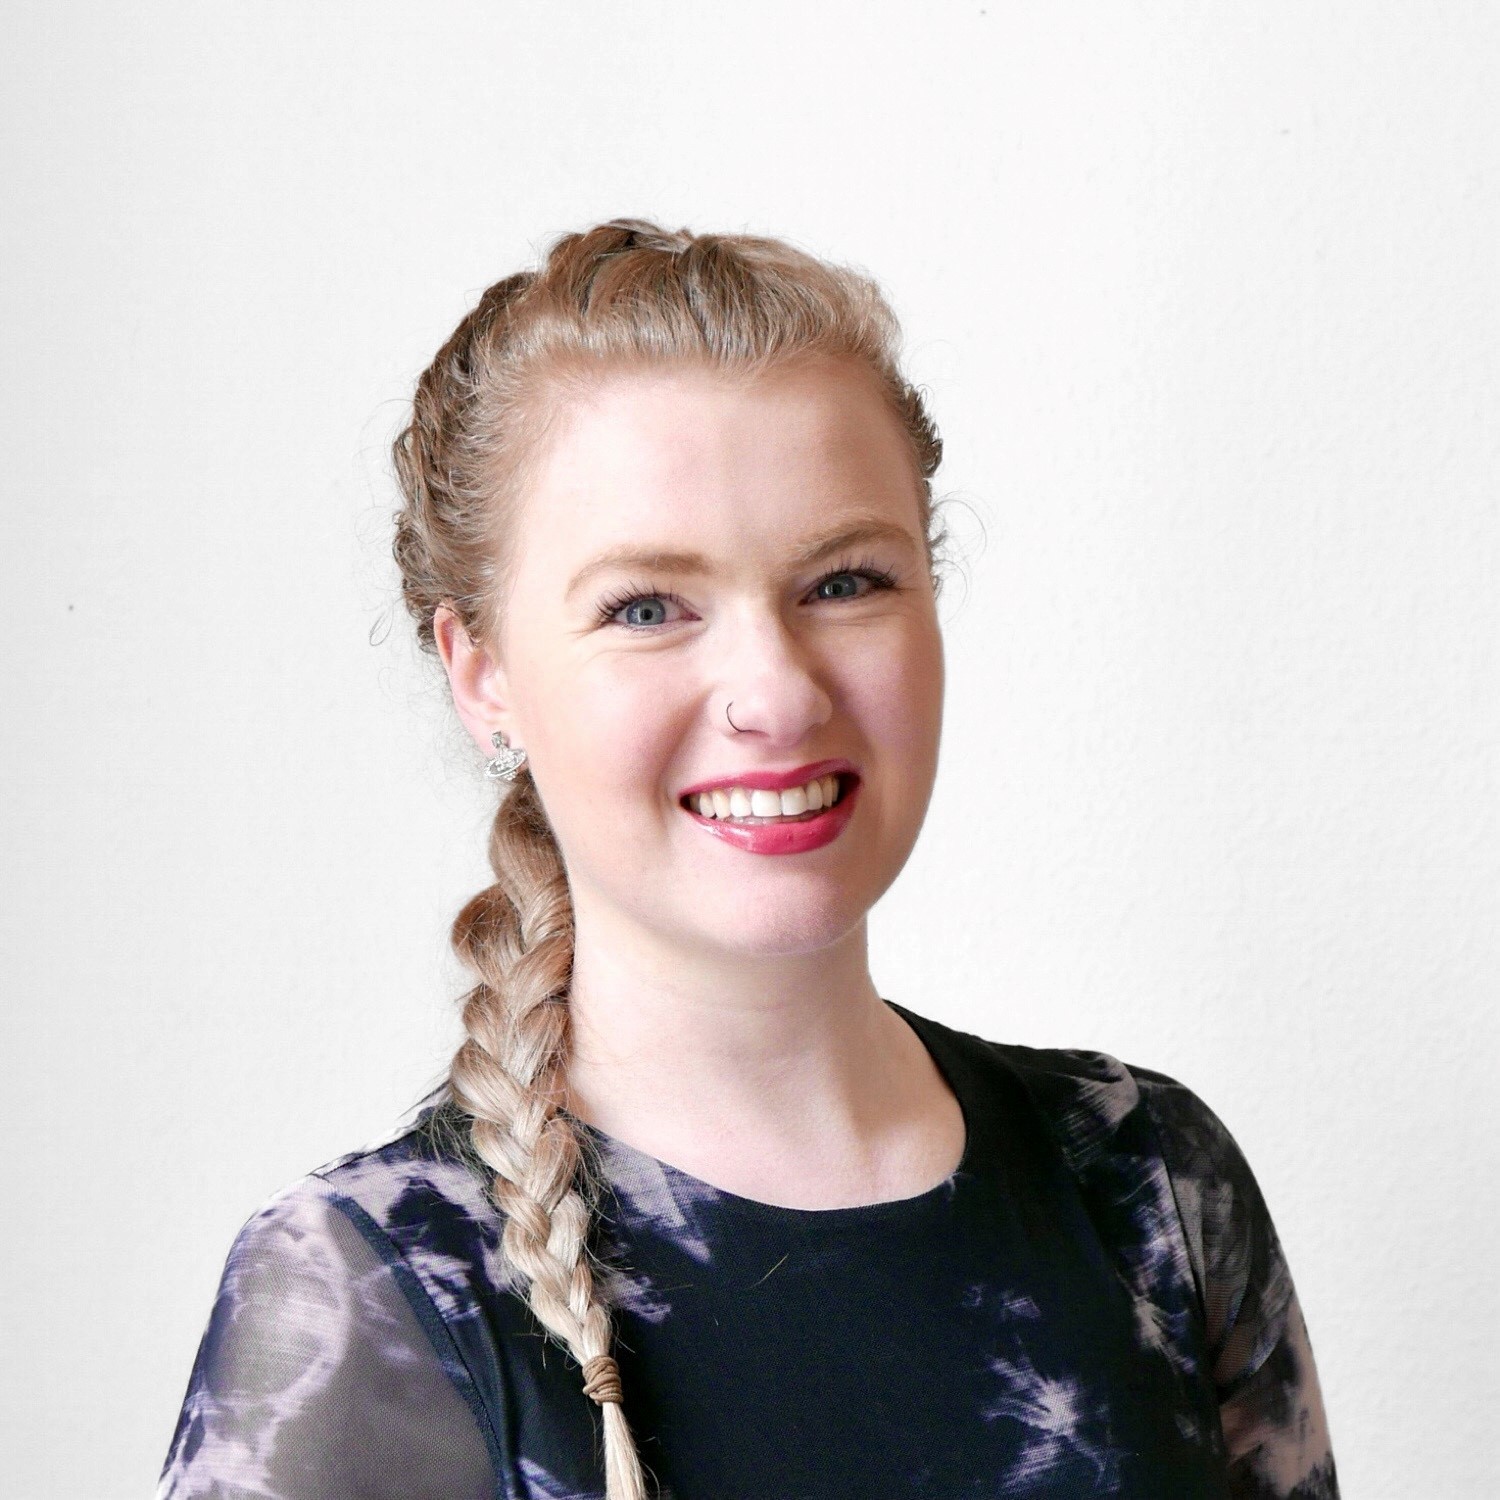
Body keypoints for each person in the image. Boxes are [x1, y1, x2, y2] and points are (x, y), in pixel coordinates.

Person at [157, 219, 1339, 1500]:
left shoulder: (1150, 1180)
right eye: (646, 608)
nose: (775, 692)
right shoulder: (367, 1299)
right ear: (481, 671)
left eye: (845, 582)